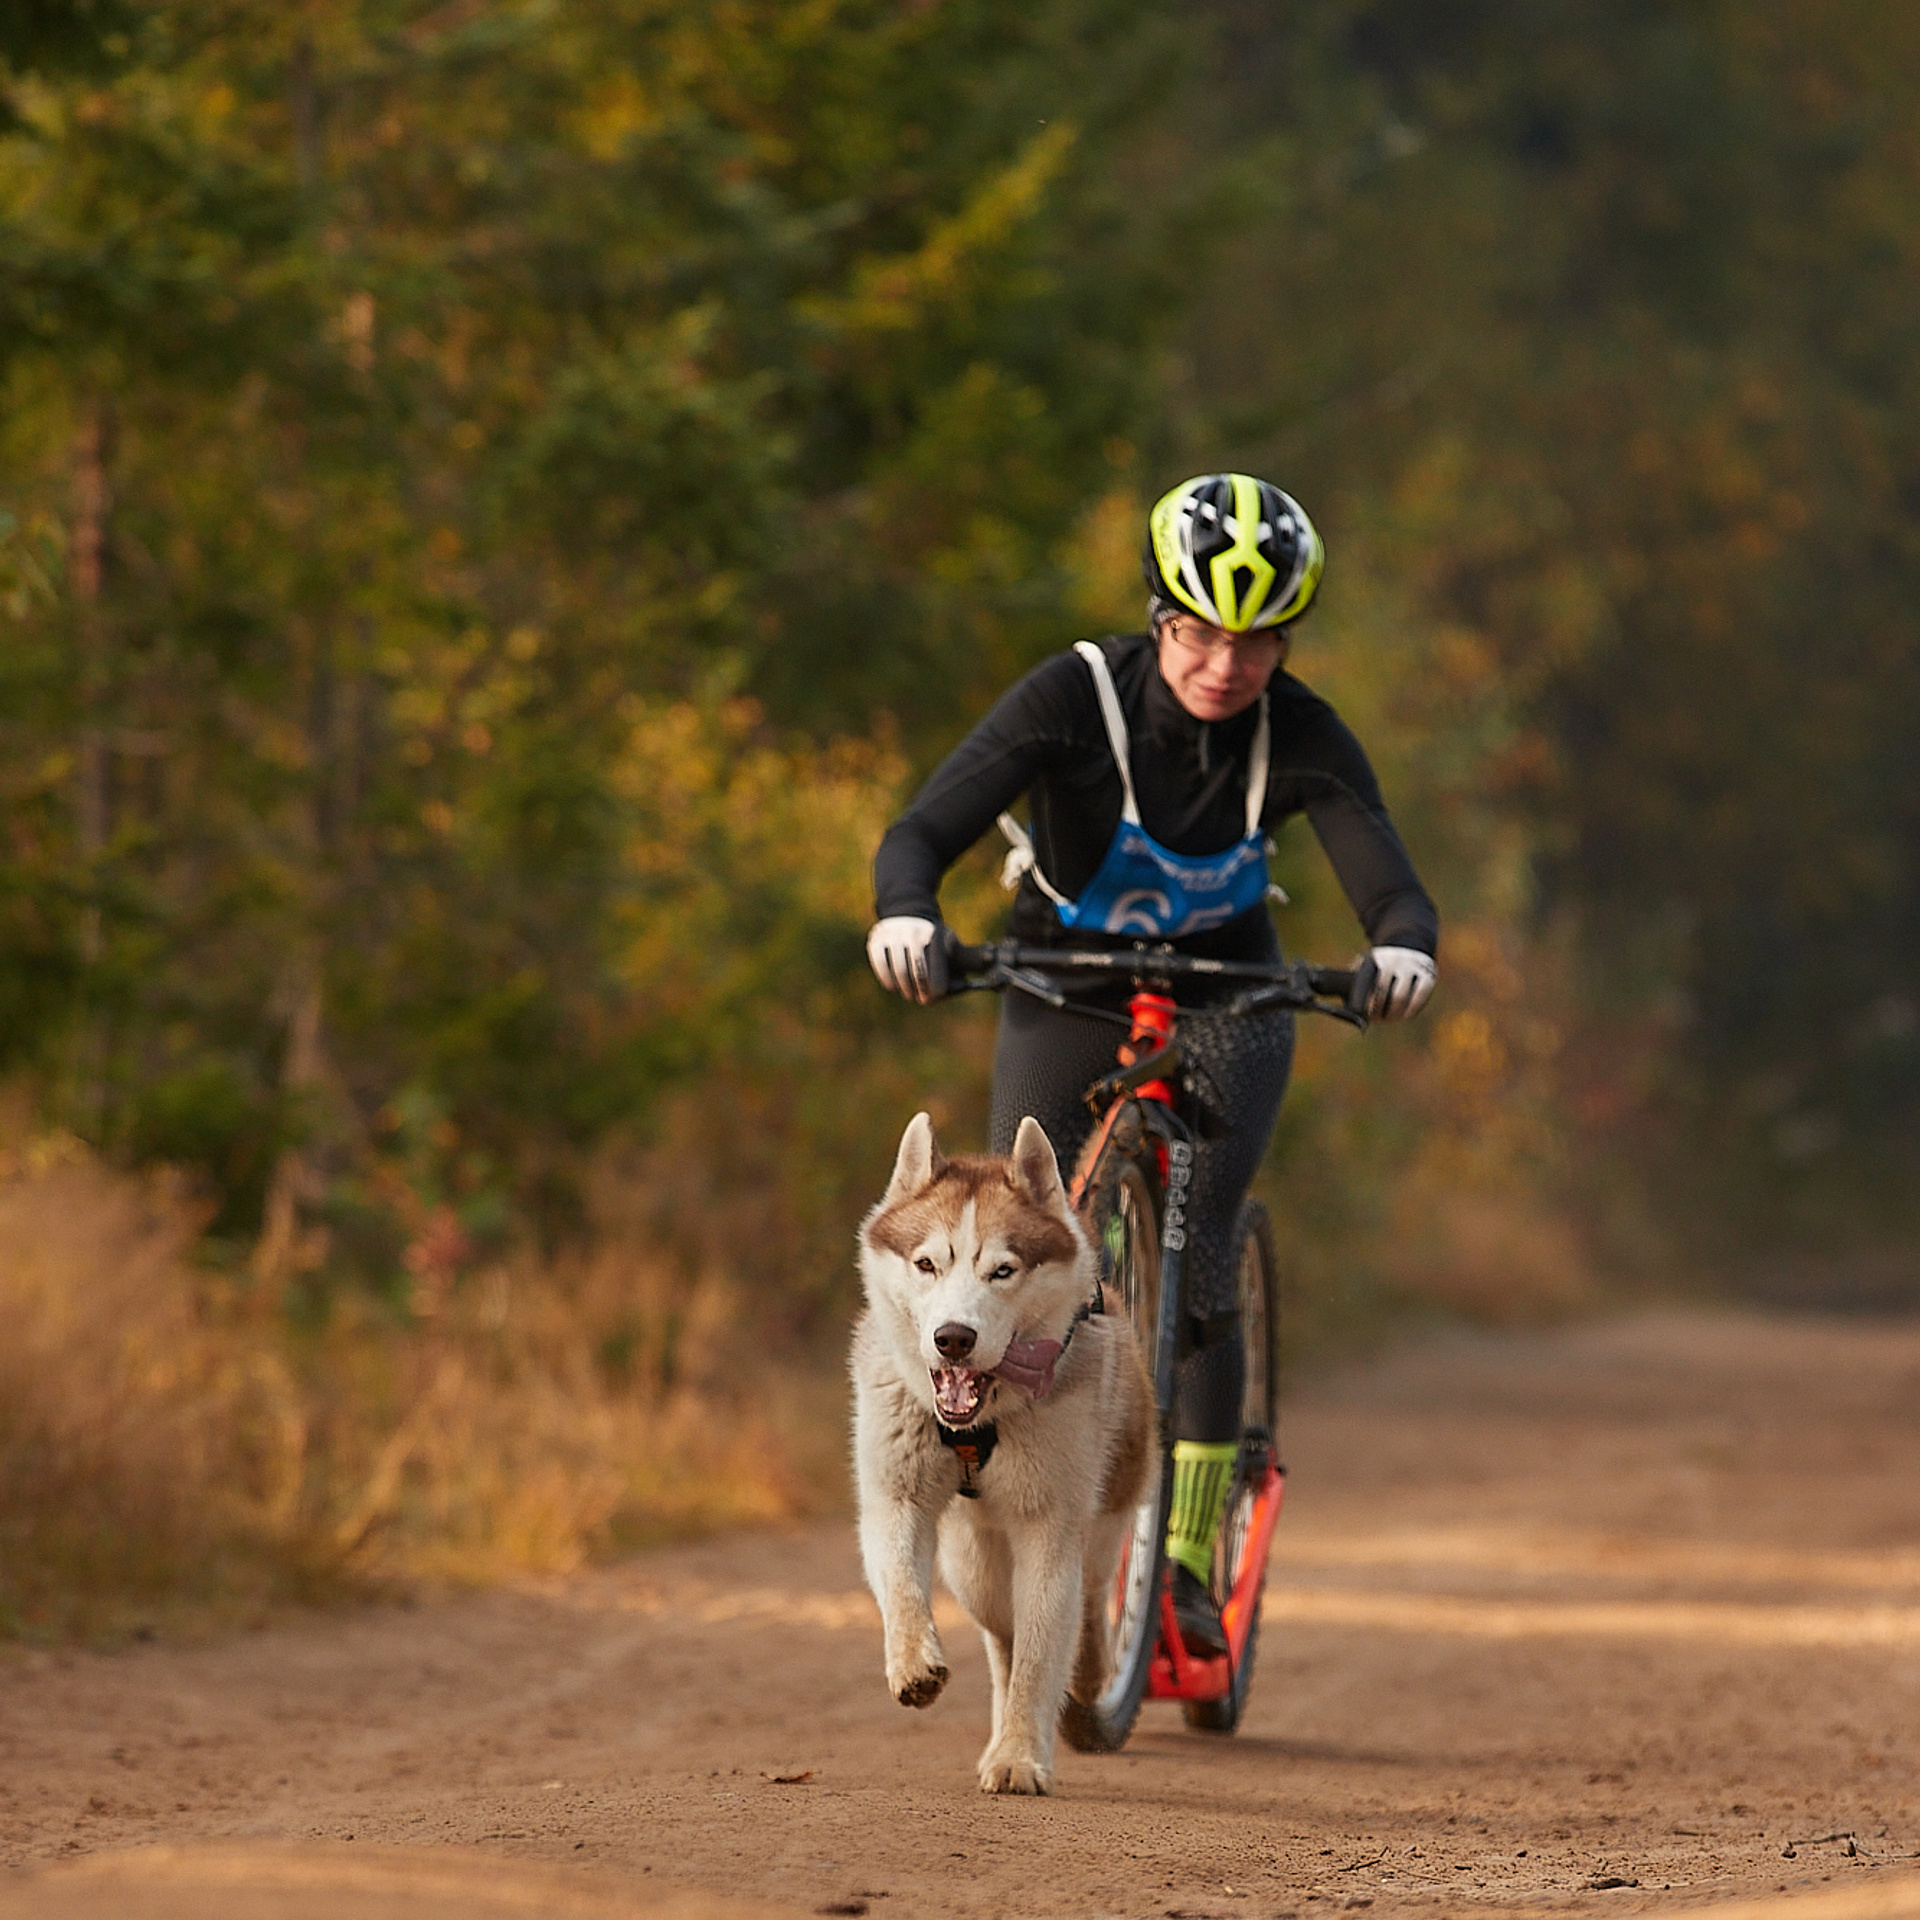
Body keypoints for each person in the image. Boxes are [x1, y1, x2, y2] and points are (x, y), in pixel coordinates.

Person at [865, 472, 1439, 1655]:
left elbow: (1388, 879)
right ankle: (1003, 1501)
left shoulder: (1302, 734)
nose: (1224, 662)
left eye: (1257, 637)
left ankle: (1182, 1558)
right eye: (1198, 629)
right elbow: (924, 828)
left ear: (1285, 641)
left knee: (1205, 1257)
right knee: (1024, 1241)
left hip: (1230, 993)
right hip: (1060, 982)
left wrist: (1399, 951)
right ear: (1157, 614)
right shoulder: (1076, 697)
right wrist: (907, 911)